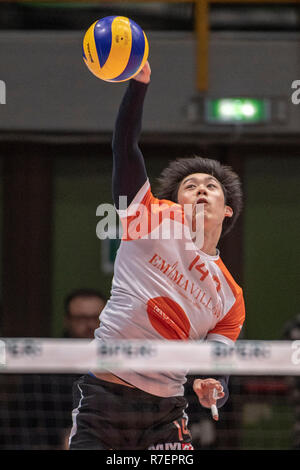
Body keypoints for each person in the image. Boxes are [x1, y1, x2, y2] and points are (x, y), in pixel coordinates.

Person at [69, 61, 245, 450]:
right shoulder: (148, 218)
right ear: (175, 200)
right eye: (190, 185)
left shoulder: (230, 298)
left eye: (211, 186)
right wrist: (138, 86)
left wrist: (214, 385)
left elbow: (219, 364)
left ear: (227, 208)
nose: (200, 189)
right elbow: (124, 148)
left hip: (166, 415)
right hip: (105, 400)